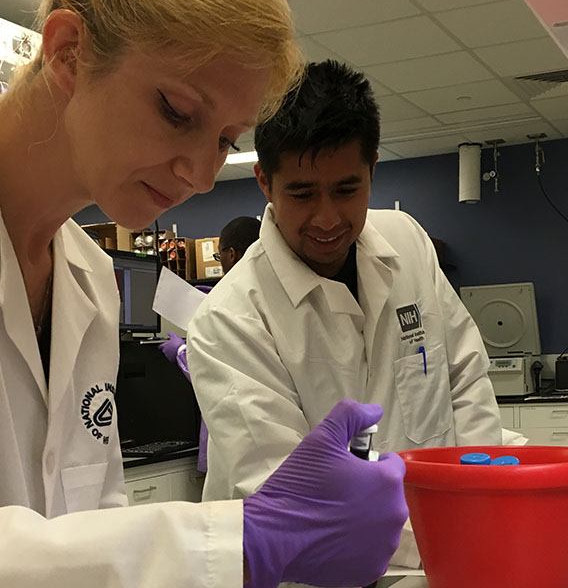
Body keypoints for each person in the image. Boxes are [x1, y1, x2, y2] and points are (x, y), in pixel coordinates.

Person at [0, 0, 407, 586]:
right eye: (178, 112)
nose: (203, 175)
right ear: (68, 52)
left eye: (223, 141)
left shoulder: (86, 278)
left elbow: (90, 524)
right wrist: (241, 542)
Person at [186, 61, 502, 505]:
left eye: (346, 189)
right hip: (306, 568)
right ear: (264, 182)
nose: (328, 218)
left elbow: (465, 379)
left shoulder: (406, 241)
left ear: (372, 168)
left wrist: (479, 500)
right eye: (302, 194)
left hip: (439, 540)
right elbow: (290, 495)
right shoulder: (230, 321)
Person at [159, 215, 262, 472]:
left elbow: (220, 378)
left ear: (231, 253)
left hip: (236, 441)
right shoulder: (264, 296)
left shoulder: (230, 305)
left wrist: (182, 351)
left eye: (219, 257)